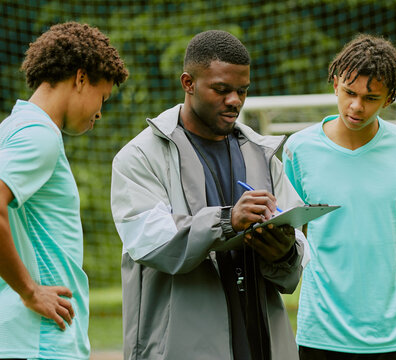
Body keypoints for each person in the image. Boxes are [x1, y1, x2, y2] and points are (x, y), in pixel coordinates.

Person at [110, 30, 306, 360]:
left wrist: (284, 251)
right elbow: (150, 241)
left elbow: (299, 249)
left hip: (260, 342)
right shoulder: (140, 156)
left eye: (242, 91)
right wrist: (226, 221)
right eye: (221, 89)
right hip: (180, 348)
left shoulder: (262, 155)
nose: (235, 100)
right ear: (188, 82)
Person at [282, 34, 396, 359]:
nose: (356, 106)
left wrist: (382, 268)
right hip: (321, 332)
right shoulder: (298, 149)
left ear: (389, 98)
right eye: (349, 92)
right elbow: (296, 231)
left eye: (370, 97)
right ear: (335, 83)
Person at [0, 22, 128, 360]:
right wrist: (29, 292)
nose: (100, 111)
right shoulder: (39, 134)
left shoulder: (13, 127)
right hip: (40, 339)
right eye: (102, 96)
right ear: (81, 78)